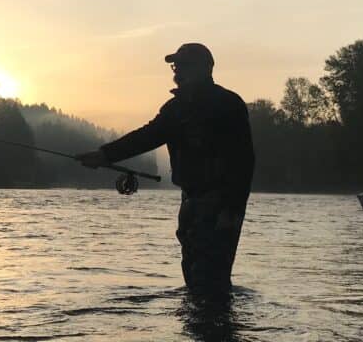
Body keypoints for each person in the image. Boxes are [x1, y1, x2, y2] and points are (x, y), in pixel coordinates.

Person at [77, 43, 254, 296]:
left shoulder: (228, 105)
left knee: (211, 279)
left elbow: (244, 162)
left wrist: (232, 209)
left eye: (184, 66)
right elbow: (147, 136)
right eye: (175, 66)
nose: (177, 72)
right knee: (194, 279)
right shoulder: (175, 109)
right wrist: (104, 155)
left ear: (206, 68)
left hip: (221, 203)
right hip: (190, 201)